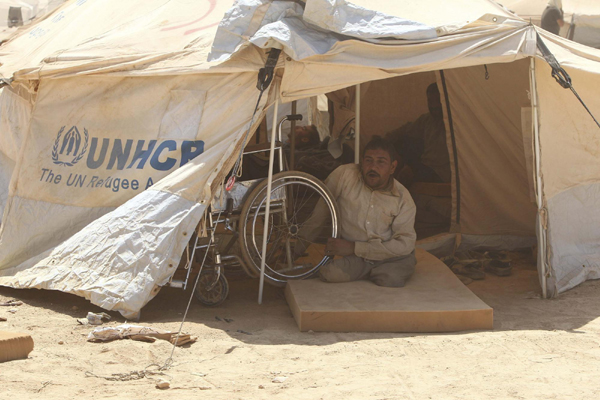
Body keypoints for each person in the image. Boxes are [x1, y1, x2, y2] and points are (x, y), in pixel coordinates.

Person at [314, 136, 417, 287]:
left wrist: (353, 247)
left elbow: (405, 242)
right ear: (361, 162)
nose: (373, 167)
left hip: (390, 255)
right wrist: (295, 250)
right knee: (329, 274)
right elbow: (319, 214)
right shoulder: (344, 175)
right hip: (358, 257)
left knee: (390, 278)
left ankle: (391, 267)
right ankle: (372, 270)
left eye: (381, 162)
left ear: (392, 167)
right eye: (368, 160)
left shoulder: (403, 197)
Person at [385, 83, 451, 187]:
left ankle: (394, 189)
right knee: (400, 142)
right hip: (425, 166)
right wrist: (384, 140)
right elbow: (407, 129)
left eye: (438, 101)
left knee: (407, 173)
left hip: (441, 172)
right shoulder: (427, 120)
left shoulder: (453, 123)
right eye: (430, 101)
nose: (434, 106)